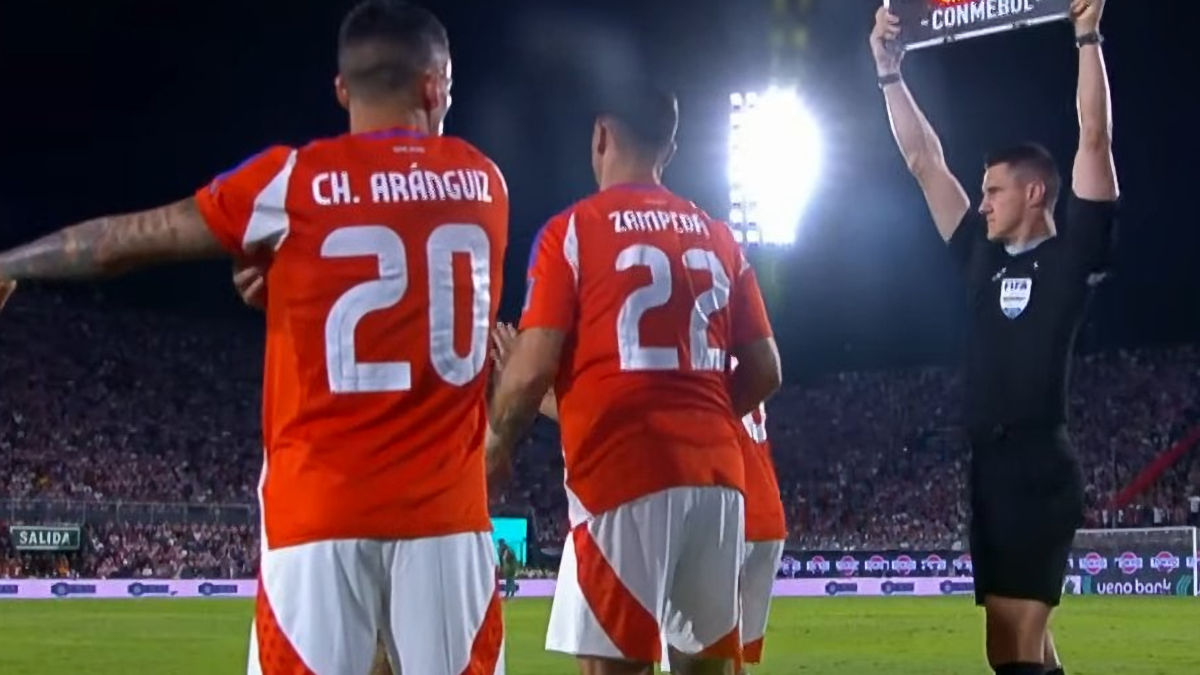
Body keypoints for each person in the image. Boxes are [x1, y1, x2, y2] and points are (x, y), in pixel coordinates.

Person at [0, 1, 508, 673]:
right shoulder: (484, 181)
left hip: (316, 513)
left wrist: (10, 264)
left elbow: (126, 242)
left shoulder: (291, 181)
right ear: (436, 85)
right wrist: (300, 281)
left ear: (341, 89)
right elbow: (416, 280)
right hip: (448, 517)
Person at [486, 85, 782, 675]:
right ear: (670, 145)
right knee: (708, 667)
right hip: (718, 485)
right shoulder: (719, 237)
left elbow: (531, 369)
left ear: (600, 136)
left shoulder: (574, 230)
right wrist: (691, 416)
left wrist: (491, 450)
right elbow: (767, 369)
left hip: (620, 479)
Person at [869, 1, 1118, 674]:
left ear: (1036, 192)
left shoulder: (1071, 260)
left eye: (993, 191)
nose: (980, 202)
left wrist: (1086, 35)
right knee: (1016, 649)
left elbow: (1093, 139)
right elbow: (924, 159)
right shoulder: (979, 256)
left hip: (1038, 467)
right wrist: (889, 71)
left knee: (1014, 648)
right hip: (989, 469)